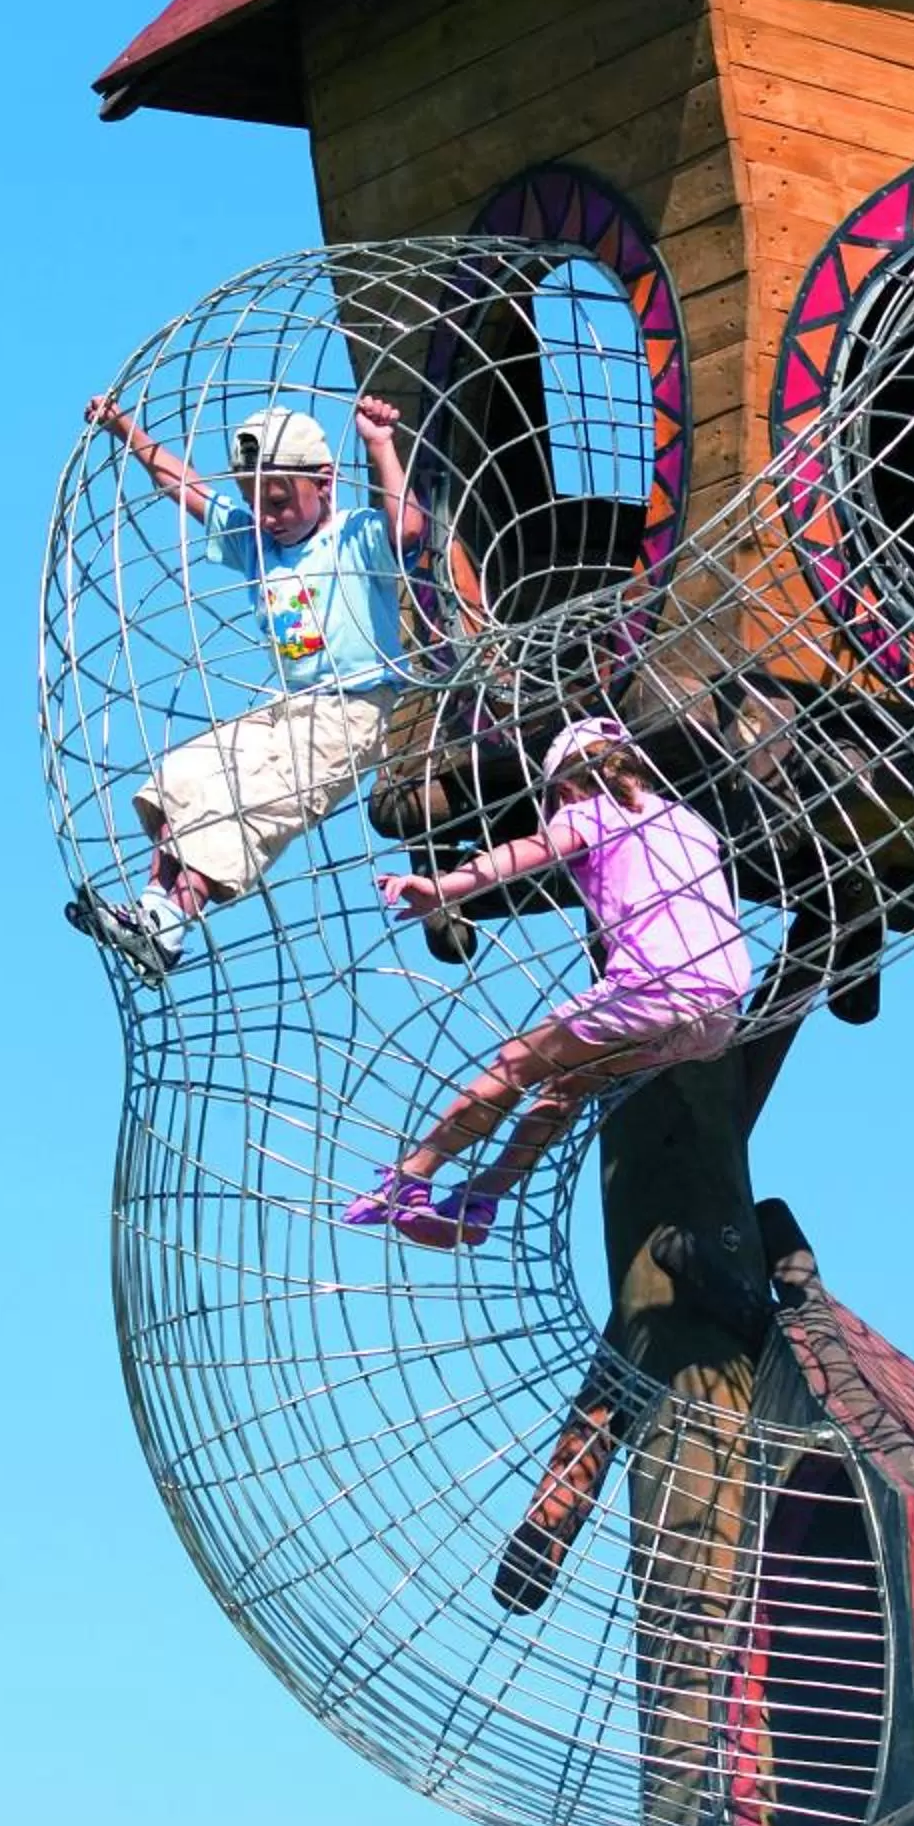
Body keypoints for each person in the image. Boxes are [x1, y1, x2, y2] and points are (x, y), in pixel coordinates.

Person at [348, 715, 753, 1248]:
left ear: (564, 786)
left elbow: (527, 852)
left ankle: (411, 1178)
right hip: (720, 1007)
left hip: (654, 984)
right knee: (567, 1085)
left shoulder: (593, 812)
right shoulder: (687, 821)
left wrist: (443, 887)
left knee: (514, 1066)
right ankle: (478, 1200)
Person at [67, 389, 424, 982]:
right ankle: (156, 917)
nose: (267, 515)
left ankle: (169, 922)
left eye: (280, 500)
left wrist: (381, 445)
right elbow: (182, 485)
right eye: (255, 500)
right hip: (289, 708)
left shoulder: (357, 535)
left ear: (325, 482)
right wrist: (124, 427)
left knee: (248, 806)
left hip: (351, 714)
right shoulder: (257, 539)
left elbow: (408, 529)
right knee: (181, 781)